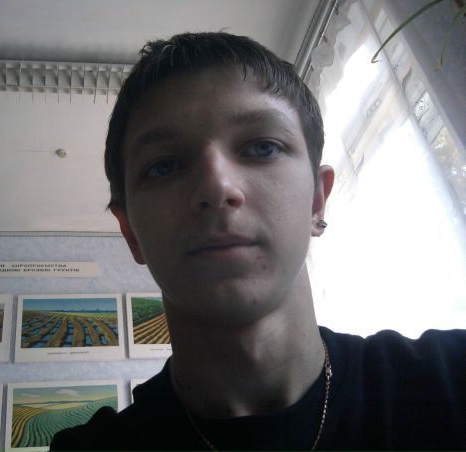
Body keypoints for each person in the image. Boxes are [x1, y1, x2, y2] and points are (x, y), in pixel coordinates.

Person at [50, 32, 466, 452]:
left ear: (317, 201)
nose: (217, 187)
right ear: (130, 233)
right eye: (164, 166)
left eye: (263, 147)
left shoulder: (451, 377)